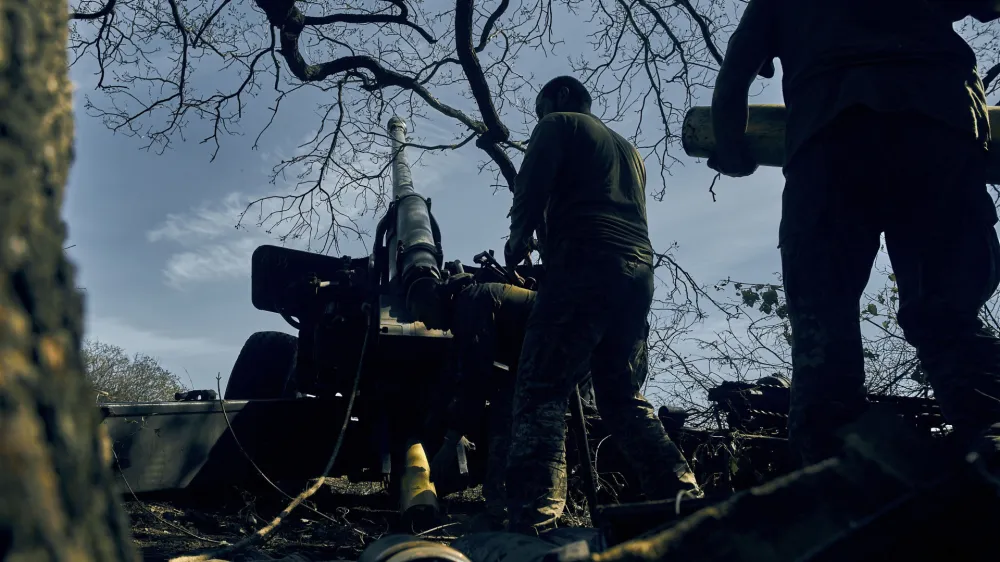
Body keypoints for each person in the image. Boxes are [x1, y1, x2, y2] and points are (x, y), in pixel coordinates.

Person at [708, 0, 1000, 476]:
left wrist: (732, 148)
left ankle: (836, 475)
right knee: (946, 315)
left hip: (829, 140)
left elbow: (736, 72)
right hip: (938, 125)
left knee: (824, 325)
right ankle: (991, 441)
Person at [503, 75, 701, 534]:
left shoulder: (560, 124)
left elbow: (532, 185)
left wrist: (518, 238)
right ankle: (683, 496)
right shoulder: (630, 151)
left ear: (562, 96)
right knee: (622, 398)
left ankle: (535, 517)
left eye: (541, 106)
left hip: (583, 264)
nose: (540, 117)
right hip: (637, 276)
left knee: (541, 386)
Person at [421, 274, 601, 531]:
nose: (422, 321)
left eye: (422, 311)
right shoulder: (469, 304)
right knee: (507, 408)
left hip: (559, 348)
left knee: (508, 419)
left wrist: (450, 442)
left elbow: (476, 380)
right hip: (554, 348)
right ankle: (508, 509)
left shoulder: (470, 305)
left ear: (438, 302)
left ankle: (510, 513)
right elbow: (461, 379)